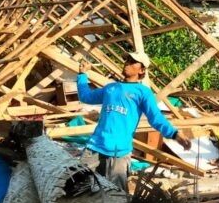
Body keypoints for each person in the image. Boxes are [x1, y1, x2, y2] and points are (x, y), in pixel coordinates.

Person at [77, 51, 191, 192]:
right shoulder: (111, 88)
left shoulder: (143, 92)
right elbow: (86, 97)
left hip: (119, 152)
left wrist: (174, 134)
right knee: (78, 186)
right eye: (127, 60)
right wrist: (82, 75)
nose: (127, 64)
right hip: (95, 146)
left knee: (115, 196)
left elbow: (155, 118)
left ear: (142, 70)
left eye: (132, 62)